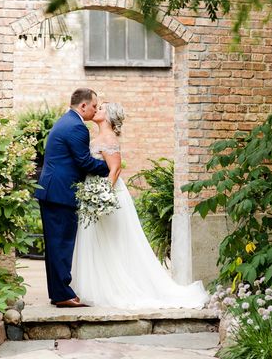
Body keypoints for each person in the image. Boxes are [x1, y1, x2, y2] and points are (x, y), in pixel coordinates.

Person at [71, 102, 210, 309]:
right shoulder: (98, 137)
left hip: (105, 193)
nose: (97, 109)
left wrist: (103, 195)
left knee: (112, 242)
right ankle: (99, 286)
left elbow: (115, 169)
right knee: (98, 241)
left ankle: (116, 287)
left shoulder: (109, 139)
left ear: (109, 116)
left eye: (101, 108)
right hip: (93, 191)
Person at [35, 88, 110, 308]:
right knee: (62, 244)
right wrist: (109, 167)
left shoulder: (65, 121)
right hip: (61, 193)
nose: (95, 110)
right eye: (94, 106)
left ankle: (58, 293)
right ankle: (62, 295)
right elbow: (84, 162)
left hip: (52, 191)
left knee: (54, 244)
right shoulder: (77, 126)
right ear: (83, 105)